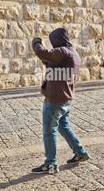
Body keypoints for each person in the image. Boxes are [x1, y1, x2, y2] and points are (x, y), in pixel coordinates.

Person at [31, 28, 89, 174]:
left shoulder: (62, 51)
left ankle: (50, 163)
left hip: (55, 99)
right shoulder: (73, 52)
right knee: (64, 126)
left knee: (49, 131)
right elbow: (52, 62)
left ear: (57, 39)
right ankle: (80, 152)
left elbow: (41, 53)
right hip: (66, 98)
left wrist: (36, 41)